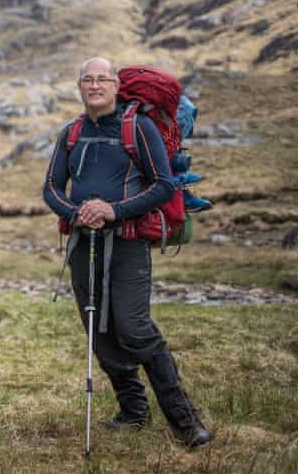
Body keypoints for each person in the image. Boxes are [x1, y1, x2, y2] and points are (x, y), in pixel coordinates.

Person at [42, 57, 212, 447]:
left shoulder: (140, 128)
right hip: (84, 244)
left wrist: (113, 210)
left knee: (134, 328)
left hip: (130, 242)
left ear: (117, 86)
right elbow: (51, 187)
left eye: (103, 79)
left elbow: (163, 185)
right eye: (88, 79)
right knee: (98, 330)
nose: (96, 85)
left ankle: (186, 422)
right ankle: (133, 411)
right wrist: (76, 213)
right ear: (79, 86)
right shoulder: (70, 133)